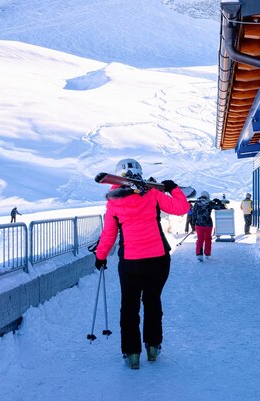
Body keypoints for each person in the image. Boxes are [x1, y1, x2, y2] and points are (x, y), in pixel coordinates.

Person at [94, 158, 189, 370]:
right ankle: (153, 347)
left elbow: (109, 234)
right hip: (158, 259)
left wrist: (100, 257)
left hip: (130, 262)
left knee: (129, 306)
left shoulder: (113, 203)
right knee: (152, 301)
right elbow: (181, 207)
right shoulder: (154, 193)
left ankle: (132, 353)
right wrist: (173, 189)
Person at [191, 191, 220, 261]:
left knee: (200, 239)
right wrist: (218, 201)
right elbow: (218, 207)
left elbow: (194, 214)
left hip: (199, 224)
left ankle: (199, 254)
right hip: (208, 224)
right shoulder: (210, 202)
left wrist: (193, 223)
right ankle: (207, 253)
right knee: (208, 239)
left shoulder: (197, 203)